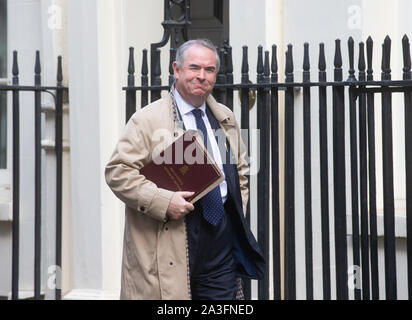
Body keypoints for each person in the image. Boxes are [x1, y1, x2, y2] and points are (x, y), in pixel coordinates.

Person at [105, 39, 265, 300]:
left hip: (220, 239)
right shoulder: (147, 119)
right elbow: (117, 172)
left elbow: (239, 171)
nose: (202, 76)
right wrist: (164, 201)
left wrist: (235, 207)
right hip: (174, 236)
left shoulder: (224, 117)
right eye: (194, 68)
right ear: (176, 69)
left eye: (209, 70)